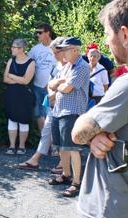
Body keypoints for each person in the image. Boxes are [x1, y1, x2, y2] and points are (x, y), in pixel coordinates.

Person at [71, 1, 128, 217]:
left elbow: (78, 132)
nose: (106, 41)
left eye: (107, 33)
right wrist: (98, 136)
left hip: (110, 206)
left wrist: (93, 133)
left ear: (124, 35)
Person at [47, 37, 90, 198]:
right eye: (61, 50)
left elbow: (67, 88)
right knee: (61, 147)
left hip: (71, 112)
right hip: (58, 111)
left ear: (75, 50)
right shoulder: (67, 66)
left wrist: (60, 84)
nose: (62, 53)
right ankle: (65, 175)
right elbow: (51, 85)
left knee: (72, 149)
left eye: (65, 50)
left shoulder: (82, 67)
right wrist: (60, 82)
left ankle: (76, 182)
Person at [18, 36, 68, 170]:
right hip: (53, 105)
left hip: (65, 107)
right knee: (46, 131)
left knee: (62, 134)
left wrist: (54, 90)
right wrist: (51, 92)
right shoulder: (56, 65)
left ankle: (63, 164)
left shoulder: (70, 67)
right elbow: (50, 83)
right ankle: (35, 160)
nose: (54, 55)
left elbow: (67, 86)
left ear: (62, 51)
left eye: (55, 52)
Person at [4, 39, 35, 155]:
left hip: (25, 96)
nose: (11, 49)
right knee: (11, 119)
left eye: (14, 47)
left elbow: (26, 80)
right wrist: (18, 80)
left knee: (23, 121)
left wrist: (12, 76)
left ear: (21, 49)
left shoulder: (31, 62)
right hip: (11, 94)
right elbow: (5, 79)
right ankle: (12, 146)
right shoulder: (10, 61)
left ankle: (22, 146)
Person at [28, 23, 57, 131]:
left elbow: (62, 67)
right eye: (37, 33)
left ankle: (54, 143)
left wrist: (52, 84)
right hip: (37, 86)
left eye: (40, 32)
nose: (37, 35)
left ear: (48, 33)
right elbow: (27, 64)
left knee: (52, 114)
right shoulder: (35, 49)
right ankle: (44, 142)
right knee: (39, 114)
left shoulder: (56, 47)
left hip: (52, 88)